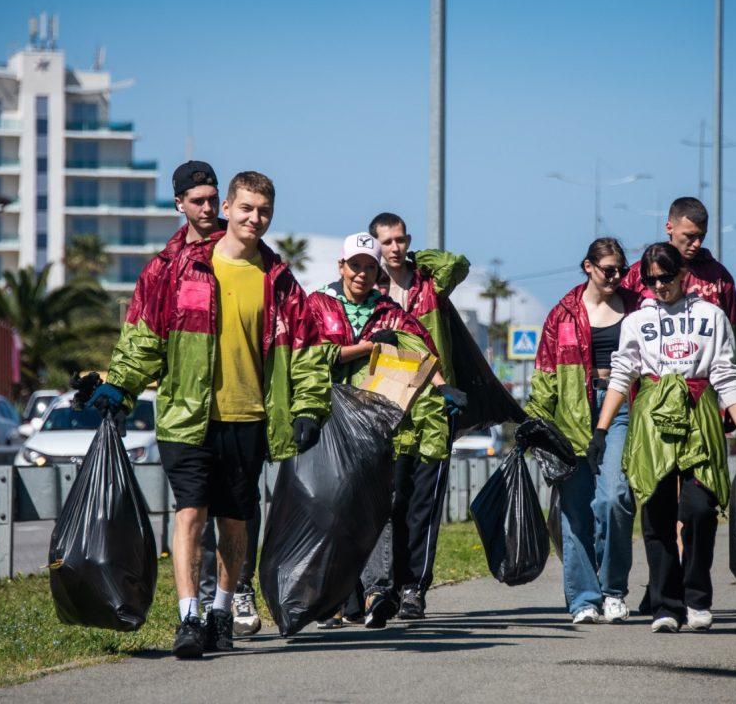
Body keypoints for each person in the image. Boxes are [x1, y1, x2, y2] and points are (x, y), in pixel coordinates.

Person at [89, 171, 331, 658]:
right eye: (245, 209)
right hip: (186, 416)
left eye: (263, 211)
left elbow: (306, 350)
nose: (254, 219)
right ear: (227, 208)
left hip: (249, 417)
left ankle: (221, 609)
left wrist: (307, 407)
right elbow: (145, 338)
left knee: (236, 522)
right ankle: (188, 617)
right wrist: (119, 388)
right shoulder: (181, 268)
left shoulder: (278, 279)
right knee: (190, 513)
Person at [588, 242, 736, 633]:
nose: (658, 286)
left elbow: (725, 374)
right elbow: (623, 374)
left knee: (699, 510)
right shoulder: (637, 321)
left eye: (666, 278)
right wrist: (601, 431)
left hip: (699, 412)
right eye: (651, 279)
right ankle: (665, 606)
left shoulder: (712, 316)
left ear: (683, 275)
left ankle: (697, 598)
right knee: (655, 513)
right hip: (653, 418)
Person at [306, 232, 455, 629]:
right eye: (355, 265)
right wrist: (368, 347)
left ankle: (378, 593)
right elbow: (310, 354)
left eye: (370, 267)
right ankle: (333, 598)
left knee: (378, 506)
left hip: (375, 421)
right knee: (335, 507)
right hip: (329, 417)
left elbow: (419, 348)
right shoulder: (318, 304)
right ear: (341, 267)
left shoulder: (388, 309)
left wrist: (443, 387)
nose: (362, 273)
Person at [523, 238, 643, 624]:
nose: (616, 276)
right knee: (575, 510)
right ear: (588, 266)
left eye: (621, 269)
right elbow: (544, 371)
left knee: (614, 496)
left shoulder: (637, 307)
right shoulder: (563, 313)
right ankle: (583, 600)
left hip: (622, 406)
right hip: (572, 412)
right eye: (608, 269)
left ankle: (613, 590)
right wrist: (537, 421)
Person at [370, 212, 469, 618]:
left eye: (400, 240)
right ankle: (383, 587)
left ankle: (414, 588)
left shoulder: (429, 285)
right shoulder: (369, 288)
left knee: (423, 505)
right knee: (389, 502)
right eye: (386, 242)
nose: (394, 249)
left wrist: (419, 261)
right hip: (385, 409)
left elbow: (458, 264)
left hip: (431, 408)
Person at [620, 197, 736, 377]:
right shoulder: (637, 274)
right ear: (669, 228)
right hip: (652, 393)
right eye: (689, 236)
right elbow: (622, 339)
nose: (697, 243)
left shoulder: (718, 277)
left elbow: (734, 339)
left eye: (701, 236)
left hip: (704, 392)